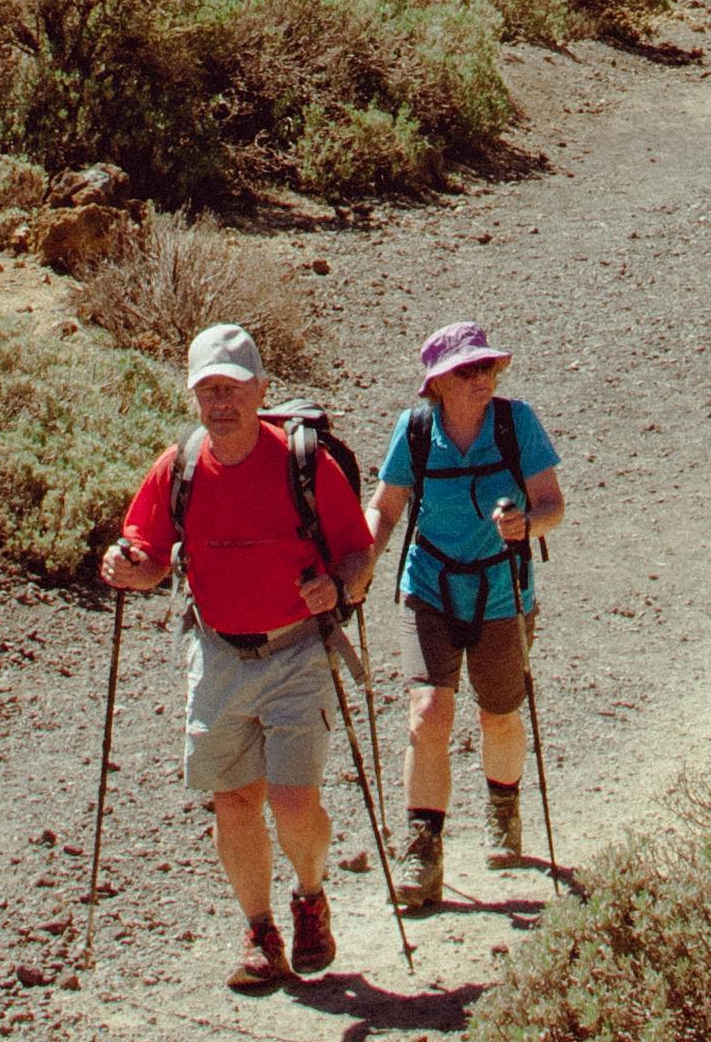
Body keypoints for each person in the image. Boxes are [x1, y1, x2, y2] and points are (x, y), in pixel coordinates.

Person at [102, 320, 375, 993]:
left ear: (261, 390)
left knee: (291, 801)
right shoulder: (182, 466)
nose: (220, 403)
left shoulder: (304, 464)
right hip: (219, 653)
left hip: (297, 652)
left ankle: (310, 895)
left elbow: (359, 554)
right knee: (233, 802)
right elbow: (148, 560)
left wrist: (336, 587)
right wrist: (124, 565)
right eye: (207, 390)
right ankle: (261, 934)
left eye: (232, 388)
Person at [366, 321, 564, 909]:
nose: (481, 378)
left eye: (487, 367)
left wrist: (527, 524)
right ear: (438, 384)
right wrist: (360, 566)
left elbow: (552, 503)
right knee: (428, 713)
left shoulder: (515, 422)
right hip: (429, 587)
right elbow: (387, 507)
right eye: (466, 370)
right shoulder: (417, 429)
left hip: (502, 589)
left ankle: (503, 806)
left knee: (499, 718)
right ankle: (423, 849)